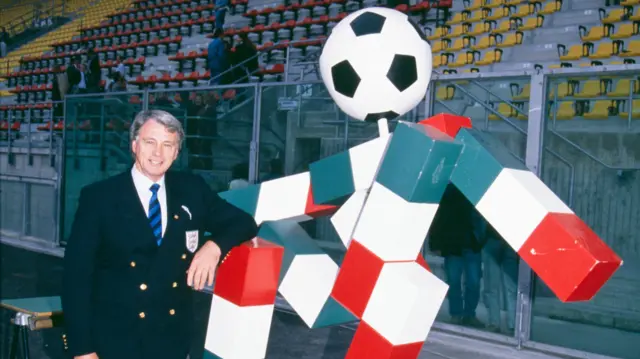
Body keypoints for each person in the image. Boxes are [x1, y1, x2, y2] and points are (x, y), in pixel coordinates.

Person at [61, 110, 258, 359]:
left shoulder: (192, 189)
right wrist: (82, 349)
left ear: (176, 153)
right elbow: (76, 279)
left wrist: (214, 247)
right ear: (134, 145)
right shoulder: (99, 197)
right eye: (150, 142)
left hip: (172, 340)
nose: (158, 153)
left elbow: (244, 222)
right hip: (114, 342)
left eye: (168, 145)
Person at [428, 184, 486, 328]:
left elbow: (482, 217)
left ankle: (467, 314)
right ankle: (458, 314)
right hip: (455, 245)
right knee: (455, 282)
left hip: (470, 244)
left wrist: (480, 239)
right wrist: (435, 243)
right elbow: (438, 216)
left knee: (471, 282)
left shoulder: (473, 189)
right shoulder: (449, 190)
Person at [481, 223, 518, 334]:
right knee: (503, 287)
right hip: (497, 239)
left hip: (506, 240)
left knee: (508, 287)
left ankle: (505, 324)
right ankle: (506, 324)